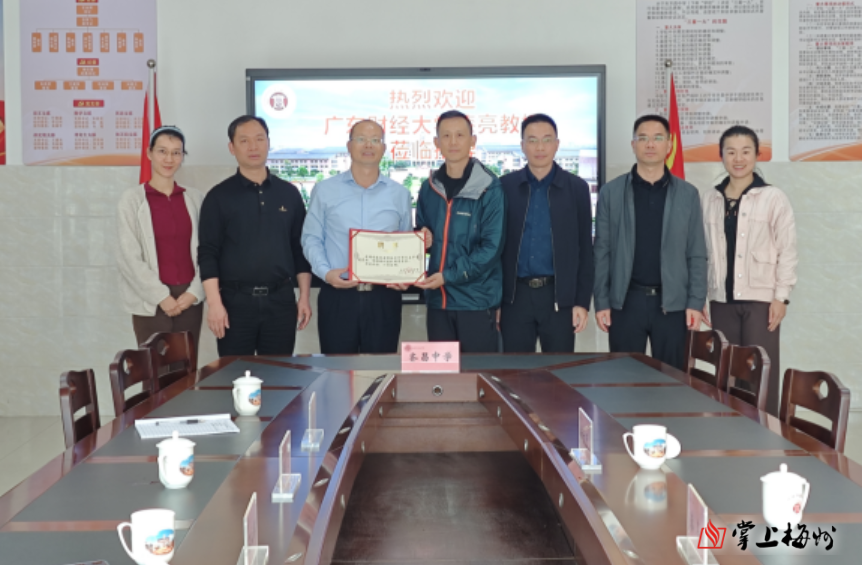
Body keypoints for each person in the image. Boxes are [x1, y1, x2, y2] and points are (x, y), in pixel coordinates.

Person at [593, 114, 707, 370]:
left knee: (672, 380)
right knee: (623, 379)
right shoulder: (611, 193)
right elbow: (602, 251)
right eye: (643, 138)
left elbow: (697, 253)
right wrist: (601, 301)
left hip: (673, 305)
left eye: (657, 138)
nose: (650, 144)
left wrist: (695, 302)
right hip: (625, 302)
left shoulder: (687, 194)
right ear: (633, 145)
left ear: (669, 145)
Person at [701, 125, 797, 416]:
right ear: (721, 156)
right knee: (727, 374)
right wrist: (702, 296)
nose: (738, 158)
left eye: (745, 151)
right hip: (721, 300)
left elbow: (787, 249)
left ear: (757, 155)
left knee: (760, 375)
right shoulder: (710, 198)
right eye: (731, 152)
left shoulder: (773, 197)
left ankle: (766, 433)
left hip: (761, 301)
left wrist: (781, 297)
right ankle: (731, 433)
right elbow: (702, 252)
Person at [198, 116, 312, 356]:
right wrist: (215, 304)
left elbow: (299, 249)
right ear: (232, 147)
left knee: (279, 373)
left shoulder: (289, 194)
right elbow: (208, 253)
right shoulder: (218, 197)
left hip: (281, 301)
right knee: (235, 374)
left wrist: (303, 297)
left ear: (268, 143)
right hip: (235, 303)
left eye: (259, 139)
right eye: (244, 141)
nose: (253, 146)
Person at [301, 120, 413, 353]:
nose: (368, 145)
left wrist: (405, 275)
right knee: (337, 369)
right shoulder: (325, 190)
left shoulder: (400, 194)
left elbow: (406, 240)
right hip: (338, 295)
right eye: (361, 139)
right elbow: (311, 238)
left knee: (380, 368)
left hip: (384, 298)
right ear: (349, 146)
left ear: (384, 148)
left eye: (375, 140)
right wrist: (325, 273)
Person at [499, 114, 594, 352]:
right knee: (516, 369)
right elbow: (495, 247)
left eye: (546, 140)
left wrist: (582, 302)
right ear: (522, 146)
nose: (540, 147)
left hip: (559, 298)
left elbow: (585, 249)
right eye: (532, 140)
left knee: (559, 369)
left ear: (557, 144)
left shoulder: (576, 188)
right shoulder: (505, 187)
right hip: (515, 297)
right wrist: (495, 302)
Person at [415, 110, 506, 352]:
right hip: (438, 302)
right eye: (446, 136)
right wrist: (422, 238)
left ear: (472, 140)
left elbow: (491, 248)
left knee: (478, 373)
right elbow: (422, 233)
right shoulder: (429, 187)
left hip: (476, 302)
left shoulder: (490, 188)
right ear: (436, 142)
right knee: (441, 374)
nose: (453, 142)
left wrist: (448, 276)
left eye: (460, 135)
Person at [116, 125, 205, 360]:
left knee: (186, 370)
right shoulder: (132, 200)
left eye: (176, 152)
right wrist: (160, 296)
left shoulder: (195, 198)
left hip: (189, 299)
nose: (169, 159)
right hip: (150, 301)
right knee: (153, 371)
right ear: (149, 153)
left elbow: (208, 251)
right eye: (162, 151)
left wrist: (194, 292)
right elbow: (128, 256)